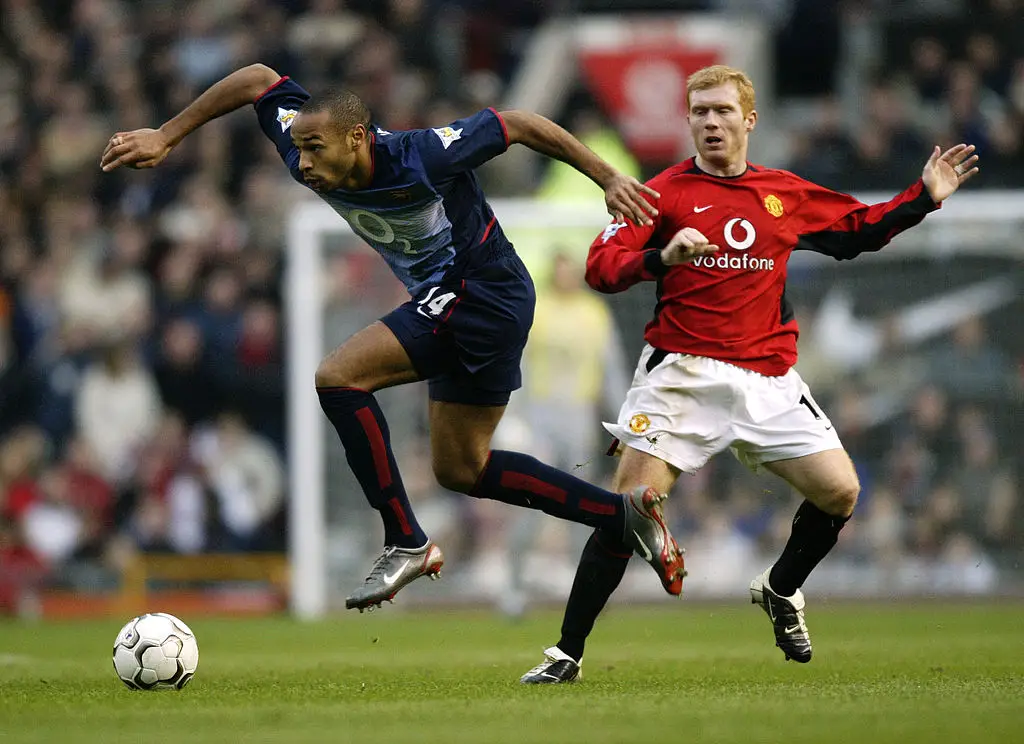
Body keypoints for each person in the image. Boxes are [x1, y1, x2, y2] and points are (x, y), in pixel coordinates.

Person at [99, 63, 687, 611]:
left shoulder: (419, 155)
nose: (301, 163)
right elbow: (256, 78)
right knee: (462, 469)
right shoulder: (300, 138)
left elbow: (519, 124)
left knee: (338, 376)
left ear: (358, 138)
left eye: (314, 148)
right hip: (458, 302)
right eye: (298, 147)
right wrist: (167, 134)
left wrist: (607, 174)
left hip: (483, 291)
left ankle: (406, 540)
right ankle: (621, 514)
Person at [519, 64, 979, 683]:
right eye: (700, 112)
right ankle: (566, 653)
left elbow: (854, 234)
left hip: (769, 378)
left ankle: (781, 589)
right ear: (688, 121)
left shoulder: (783, 192)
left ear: (749, 120)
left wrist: (921, 199)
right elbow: (602, 266)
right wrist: (662, 256)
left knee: (841, 492)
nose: (711, 122)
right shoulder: (660, 194)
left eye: (723, 111)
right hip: (681, 372)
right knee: (630, 506)